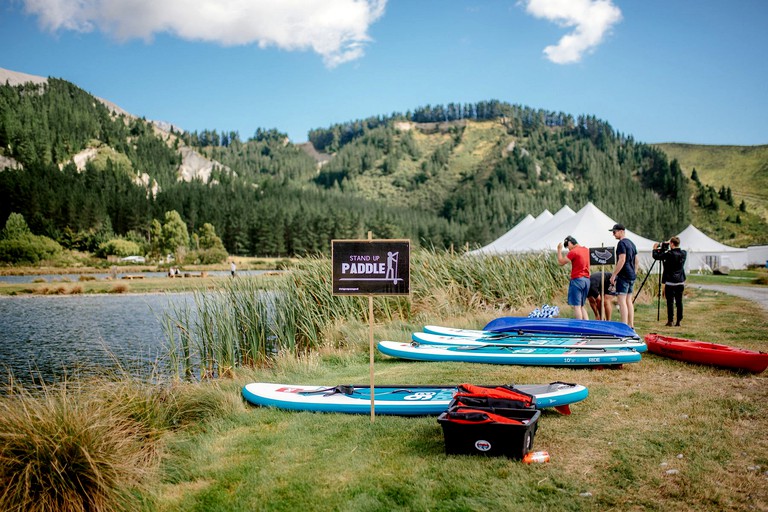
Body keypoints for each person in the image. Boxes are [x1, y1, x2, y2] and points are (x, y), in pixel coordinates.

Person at [609, 224, 639, 328]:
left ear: (621, 231)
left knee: (621, 301)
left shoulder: (621, 244)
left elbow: (622, 260)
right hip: (631, 275)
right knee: (629, 301)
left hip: (623, 275)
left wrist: (614, 275)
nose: (613, 234)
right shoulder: (632, 243)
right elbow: (637, 261)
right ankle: (631, 325)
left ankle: (624, 326)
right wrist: (634, 273)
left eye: (614, 232)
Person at [652, 236, 687, 326]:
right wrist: (668, 243)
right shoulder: (684, 253)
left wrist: (655, 248)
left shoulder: (669, 254)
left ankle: (670, 320)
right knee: (679, 301)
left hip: (670, 282)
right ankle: (679, 320)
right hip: (680, 281)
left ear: (671, 244)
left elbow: (656, 256)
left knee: (670, 302)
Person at [556, 235, 590, 320]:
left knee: (577, 306)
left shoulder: (574, 252)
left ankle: (579, 328)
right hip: (587, 280)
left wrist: (559, 250)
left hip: (577, 280)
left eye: (567, 246)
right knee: (582, 306)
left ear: (570, 243)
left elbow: (560, 262)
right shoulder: (586, 250)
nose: (568, 249)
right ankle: (587, 327)